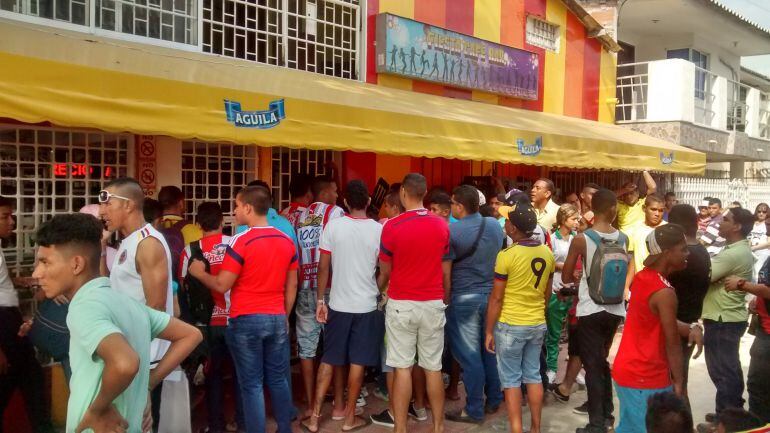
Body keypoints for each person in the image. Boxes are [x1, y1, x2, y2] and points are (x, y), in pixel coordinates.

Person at [33, 213, 202, 433]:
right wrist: (147, 384)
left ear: (76, 264)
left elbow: (125, 362)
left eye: (45, 262)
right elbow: (191, 335)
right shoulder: (126, 303)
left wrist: (98, 410)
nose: (37, 273)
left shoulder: (84, 307)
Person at [188, 185, 298, 433]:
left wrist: (200, 273)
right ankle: (285, 428)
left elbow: (221, 283)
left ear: (248, 208)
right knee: (278, 379)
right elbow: (292, 285)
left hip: (246, 319)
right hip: (276, 317)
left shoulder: (241, 240)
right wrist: (285, 315)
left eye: (237, 206)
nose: (234, 211)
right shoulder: (285, 240)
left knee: (252, 384)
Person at [302, 180, 383, 433]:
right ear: (369, 202)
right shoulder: (378, 230)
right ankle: (349, 418)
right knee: (358, 361)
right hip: (366, 305)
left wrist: (320, 301)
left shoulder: (333, 227)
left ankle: (314, 418)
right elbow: (385, 267)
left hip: (338, 303)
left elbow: (323, 267)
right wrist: (376, 288)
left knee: (330, 358)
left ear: (345, 202)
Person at [99, 177, 175, 431]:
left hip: (144, 358)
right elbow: (107, 290)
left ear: (129, 205)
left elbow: (156, 311)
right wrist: (100, 249)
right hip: (128, 354)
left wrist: (143, 375)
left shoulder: (148, 244)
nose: (102, 211)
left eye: (108, 204)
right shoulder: (127, 241)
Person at [612, 224, 703, 433]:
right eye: (683, 249)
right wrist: (679, 384)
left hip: (630, 372)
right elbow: (672, 342)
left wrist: (691, 328)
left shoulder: (644, 277)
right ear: (668, 252)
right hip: (645, 376)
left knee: (629, 427)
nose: (687, 254)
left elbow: (661, 321)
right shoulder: (664, 292)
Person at [378, 173, 451, 433]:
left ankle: (400, 428)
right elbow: (443, 265)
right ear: (425, 193)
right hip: (432, 302)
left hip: (401, 303)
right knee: (433, 368)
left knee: (402, 368)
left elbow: (384, 270)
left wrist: (379, 290)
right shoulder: (442, 225)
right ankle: (439, 427)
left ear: (403, 194)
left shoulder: (391, 226)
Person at [562, 188, 630, 433]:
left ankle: (596, 424)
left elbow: (568, 274)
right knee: (601, 362)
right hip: (615, 310)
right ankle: (608, 415)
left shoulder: (582, 238)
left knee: (592, 366)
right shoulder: (623, 238)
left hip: (590, 309)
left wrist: (580, 276)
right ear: (612, 209)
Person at [485, 201, 555, 433]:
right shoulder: (547, 252)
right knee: (533, 375)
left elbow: (496, 298)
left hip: (511, 324)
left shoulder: (507, 255)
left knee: (512, 380)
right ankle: (535, 428)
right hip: (536, 322)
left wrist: (488, 330)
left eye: (507, 220)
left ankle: (516, 428)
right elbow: (546, 293)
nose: (504, 223)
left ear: (513, 229)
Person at [179, 202, 244, 433]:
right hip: (235, 319)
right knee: (240, 374)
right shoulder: (235, 244)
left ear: (198, 225)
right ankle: (242, 422)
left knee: (213, 376)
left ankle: (216, 425)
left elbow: (183, 288)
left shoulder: (189, 250)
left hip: (205, 324)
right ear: (223, 222)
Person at [443, 185, 505, 424]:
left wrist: (446, 299)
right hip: (490, 296)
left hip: (464, 299)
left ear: (459, 206)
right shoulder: (493, 225)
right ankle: (494, 398)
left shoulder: (453, 232)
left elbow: (446, 274)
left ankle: (474, 409)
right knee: (488, 349)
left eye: (452, 203)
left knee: (470, 357)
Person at [0, 197, 54, 433]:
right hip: (3, 325)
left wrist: (18, 281)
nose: (11, 222)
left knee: (29, 379)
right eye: (4, 217)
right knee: (29, 380)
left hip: (10, 321)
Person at [296, 176, 346, 418]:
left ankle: (309, 402)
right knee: (334, 347)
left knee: (307, 349)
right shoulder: (336, 214)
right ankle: (338, 404)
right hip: (330, 290)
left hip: (305, 287)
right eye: (335, 191)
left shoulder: (300, 216)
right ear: (325, 192)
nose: (337, 195)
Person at [701, 207, 755, 421]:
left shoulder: (734, 253)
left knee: (725, 372)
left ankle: (728, 417)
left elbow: (706, 274)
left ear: (737, 226)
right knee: (723, 371)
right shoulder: (733, 248)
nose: (720, 222)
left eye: (726, 219)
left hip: (724, 319)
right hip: (722, 317)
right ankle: (725, 413)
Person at [667, 204, 710, 403]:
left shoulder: (685, 256)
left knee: (675, 384)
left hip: (679, 324)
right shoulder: (701, 251)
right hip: (689, 318)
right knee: (678, 381)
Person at [725, 260, 770, 424]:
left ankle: (759, 426)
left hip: (768, 337)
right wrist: (758, 301)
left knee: (758, 388)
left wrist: (742, 284)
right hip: (764, 329)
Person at [545, 204, 580, 383]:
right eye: (574, 219)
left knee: (575, 332)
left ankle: (574, 371)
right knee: (554, 332)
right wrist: (567, 267)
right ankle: (551, 367)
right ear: (563, 219)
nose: (577, 222)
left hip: (575, 291)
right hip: (556, 290)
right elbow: (548, 262)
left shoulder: (577, 238)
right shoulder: (552, 239)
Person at [235, 180, 298, 247]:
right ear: (271, 199)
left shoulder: (242, 228)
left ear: (247, 206)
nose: (235, 210)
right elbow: (295, 255)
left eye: (237, 206)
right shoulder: (286, 224)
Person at [626, 194, 667, 277]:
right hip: (638, 282)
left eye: (661, 210)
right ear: (644, 208)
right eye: (653, 209)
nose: (657, 214)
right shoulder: (637, 227)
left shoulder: (666, 230)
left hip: (657, 285)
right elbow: (635, 258)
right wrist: (626, 286)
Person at [750, 203, 770, 282]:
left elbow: (769, 243)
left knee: (757, 273)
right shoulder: (753, 223)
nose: (761, 213)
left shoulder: (768, 224)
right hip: (751, 253)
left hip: (763, 253)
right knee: (751, 274)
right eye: (759, 211)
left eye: (764, 212)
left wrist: (754, 247)